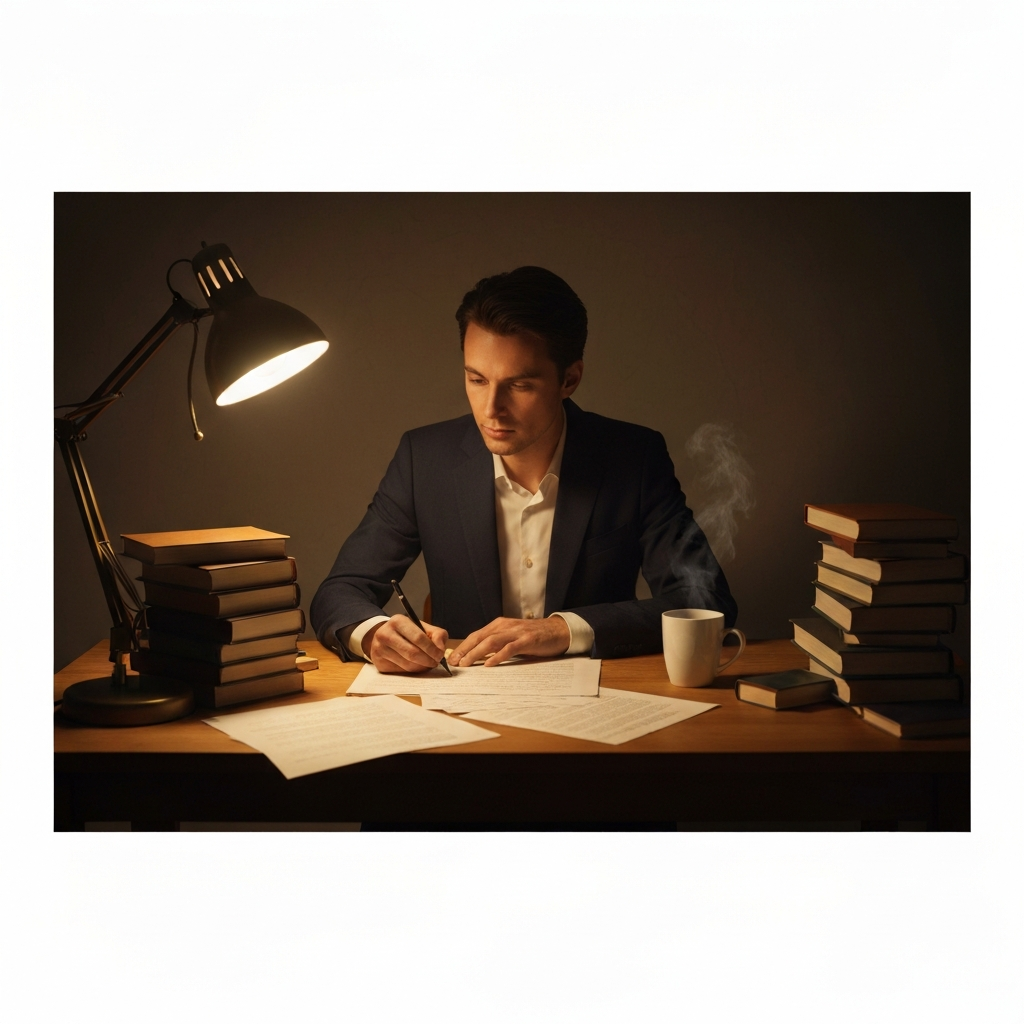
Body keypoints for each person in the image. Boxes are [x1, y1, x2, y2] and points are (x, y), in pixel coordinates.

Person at [310, 266, 737, 674]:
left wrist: (563, 628)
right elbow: (340, 591)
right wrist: (373, 634)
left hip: (598, 704)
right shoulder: (424, 460)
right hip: (462, 706)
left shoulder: (633, 458)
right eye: (477, 380)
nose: (491, 409)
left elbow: (707, 601)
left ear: (569, 380)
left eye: (519, 385)